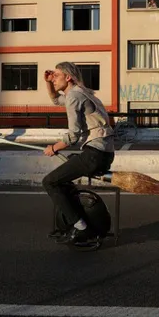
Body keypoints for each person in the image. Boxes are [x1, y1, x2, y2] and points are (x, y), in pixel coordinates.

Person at [42, 62, 115, 245]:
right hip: (102, 152)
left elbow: (73, 136)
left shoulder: (74, 95)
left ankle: (82, 227)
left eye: (57, 75)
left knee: (49, 182)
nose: (54, 78)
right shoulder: (80, 92)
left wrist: (54, 147)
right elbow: (55, 100)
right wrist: (48, 82)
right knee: (63, 179)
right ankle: (77, 218)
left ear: (68, 77)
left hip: (94, 153)